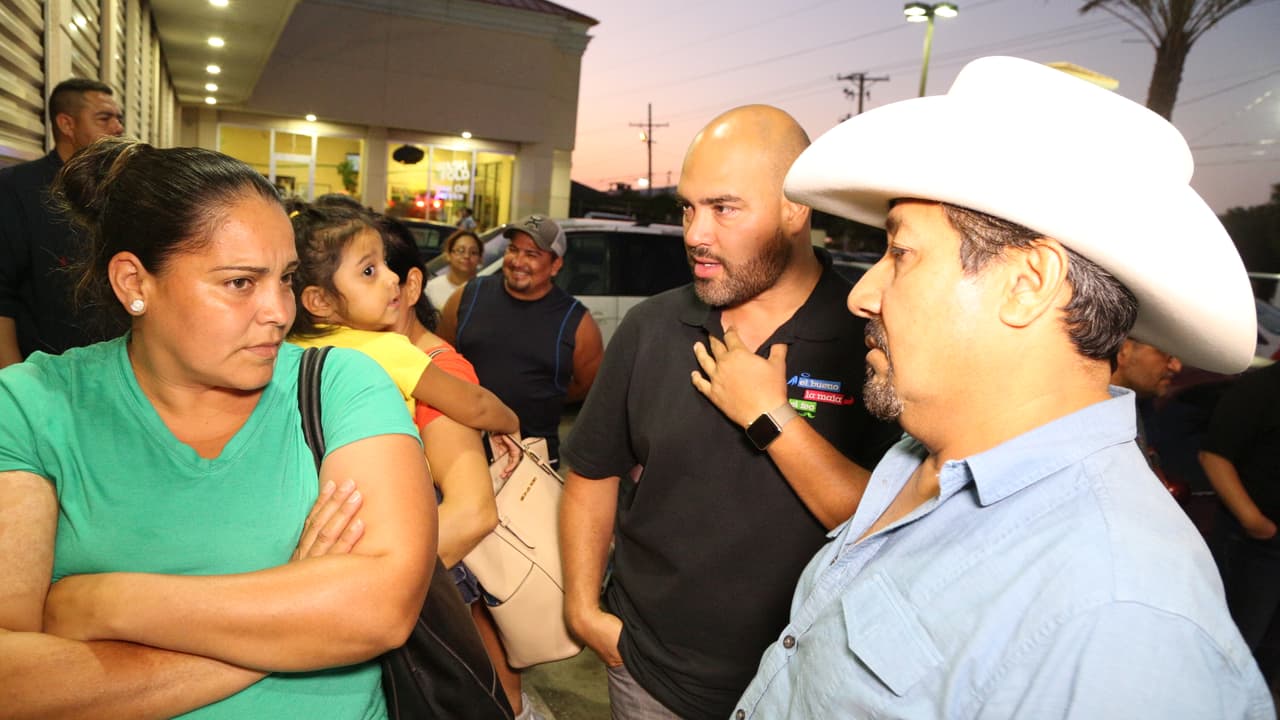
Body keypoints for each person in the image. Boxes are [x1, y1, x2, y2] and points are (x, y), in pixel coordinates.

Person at [724, 56, 1270, 718]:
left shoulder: (1121, 619)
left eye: (900, 254)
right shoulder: (915, 461)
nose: (862, 295)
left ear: (1027, 284)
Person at [0, 137, 434, 717]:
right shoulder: (32, 406)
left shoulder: (338, 385)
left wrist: (106, 601)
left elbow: (379, 610)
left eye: (284, 278)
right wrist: (296, 620)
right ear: (134, 283)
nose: (280, 311)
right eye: (239, 283)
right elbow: (13, 683)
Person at [559, 105, 901, 720]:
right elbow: (591, 472)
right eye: (688, 208)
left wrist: (770, 416)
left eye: (724, 208)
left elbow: (886, 524)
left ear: (796, 208)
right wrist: (586, 612)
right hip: (648, 675)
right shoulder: (651, 327)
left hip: (811, 688)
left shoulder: (874, 334)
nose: (695, 233)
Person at [287, 201, 519, 440]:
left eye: (384, 263)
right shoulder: (384, 349)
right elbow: (475, 405)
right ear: (320, 301)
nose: (392, 277)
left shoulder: (287, 348)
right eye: (369, 271)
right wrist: (511, 422)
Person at [439, 214, 604, 467]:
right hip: (460, 451)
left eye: (532, 254)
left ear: (555, 265)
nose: (518, 261)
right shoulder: (468, 295)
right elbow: (441, 355)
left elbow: (585, 384)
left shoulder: (577, 323)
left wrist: (539, 397)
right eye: (513, 249)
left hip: (531, 464)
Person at [0, 78, 125, 367]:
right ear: (67, 125)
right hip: (48, 376)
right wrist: (16, 385)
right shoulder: (17, 189)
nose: (117, 128)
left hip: (116, 373)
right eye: (104, 118)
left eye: (118, 118)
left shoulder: (124, 188)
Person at [1200, 360, 1280, 684]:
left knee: (1268, 656)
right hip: (1256, 547)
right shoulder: (1263, 388)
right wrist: (1255, 522)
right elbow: (1214, 456)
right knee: (1231, 651)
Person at [426, 228, 482, 310]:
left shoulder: (485, 292)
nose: (466, 256)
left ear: (480, 258)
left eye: (473, 252)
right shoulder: (431, 289)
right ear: (448, 255)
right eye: (460, 251)